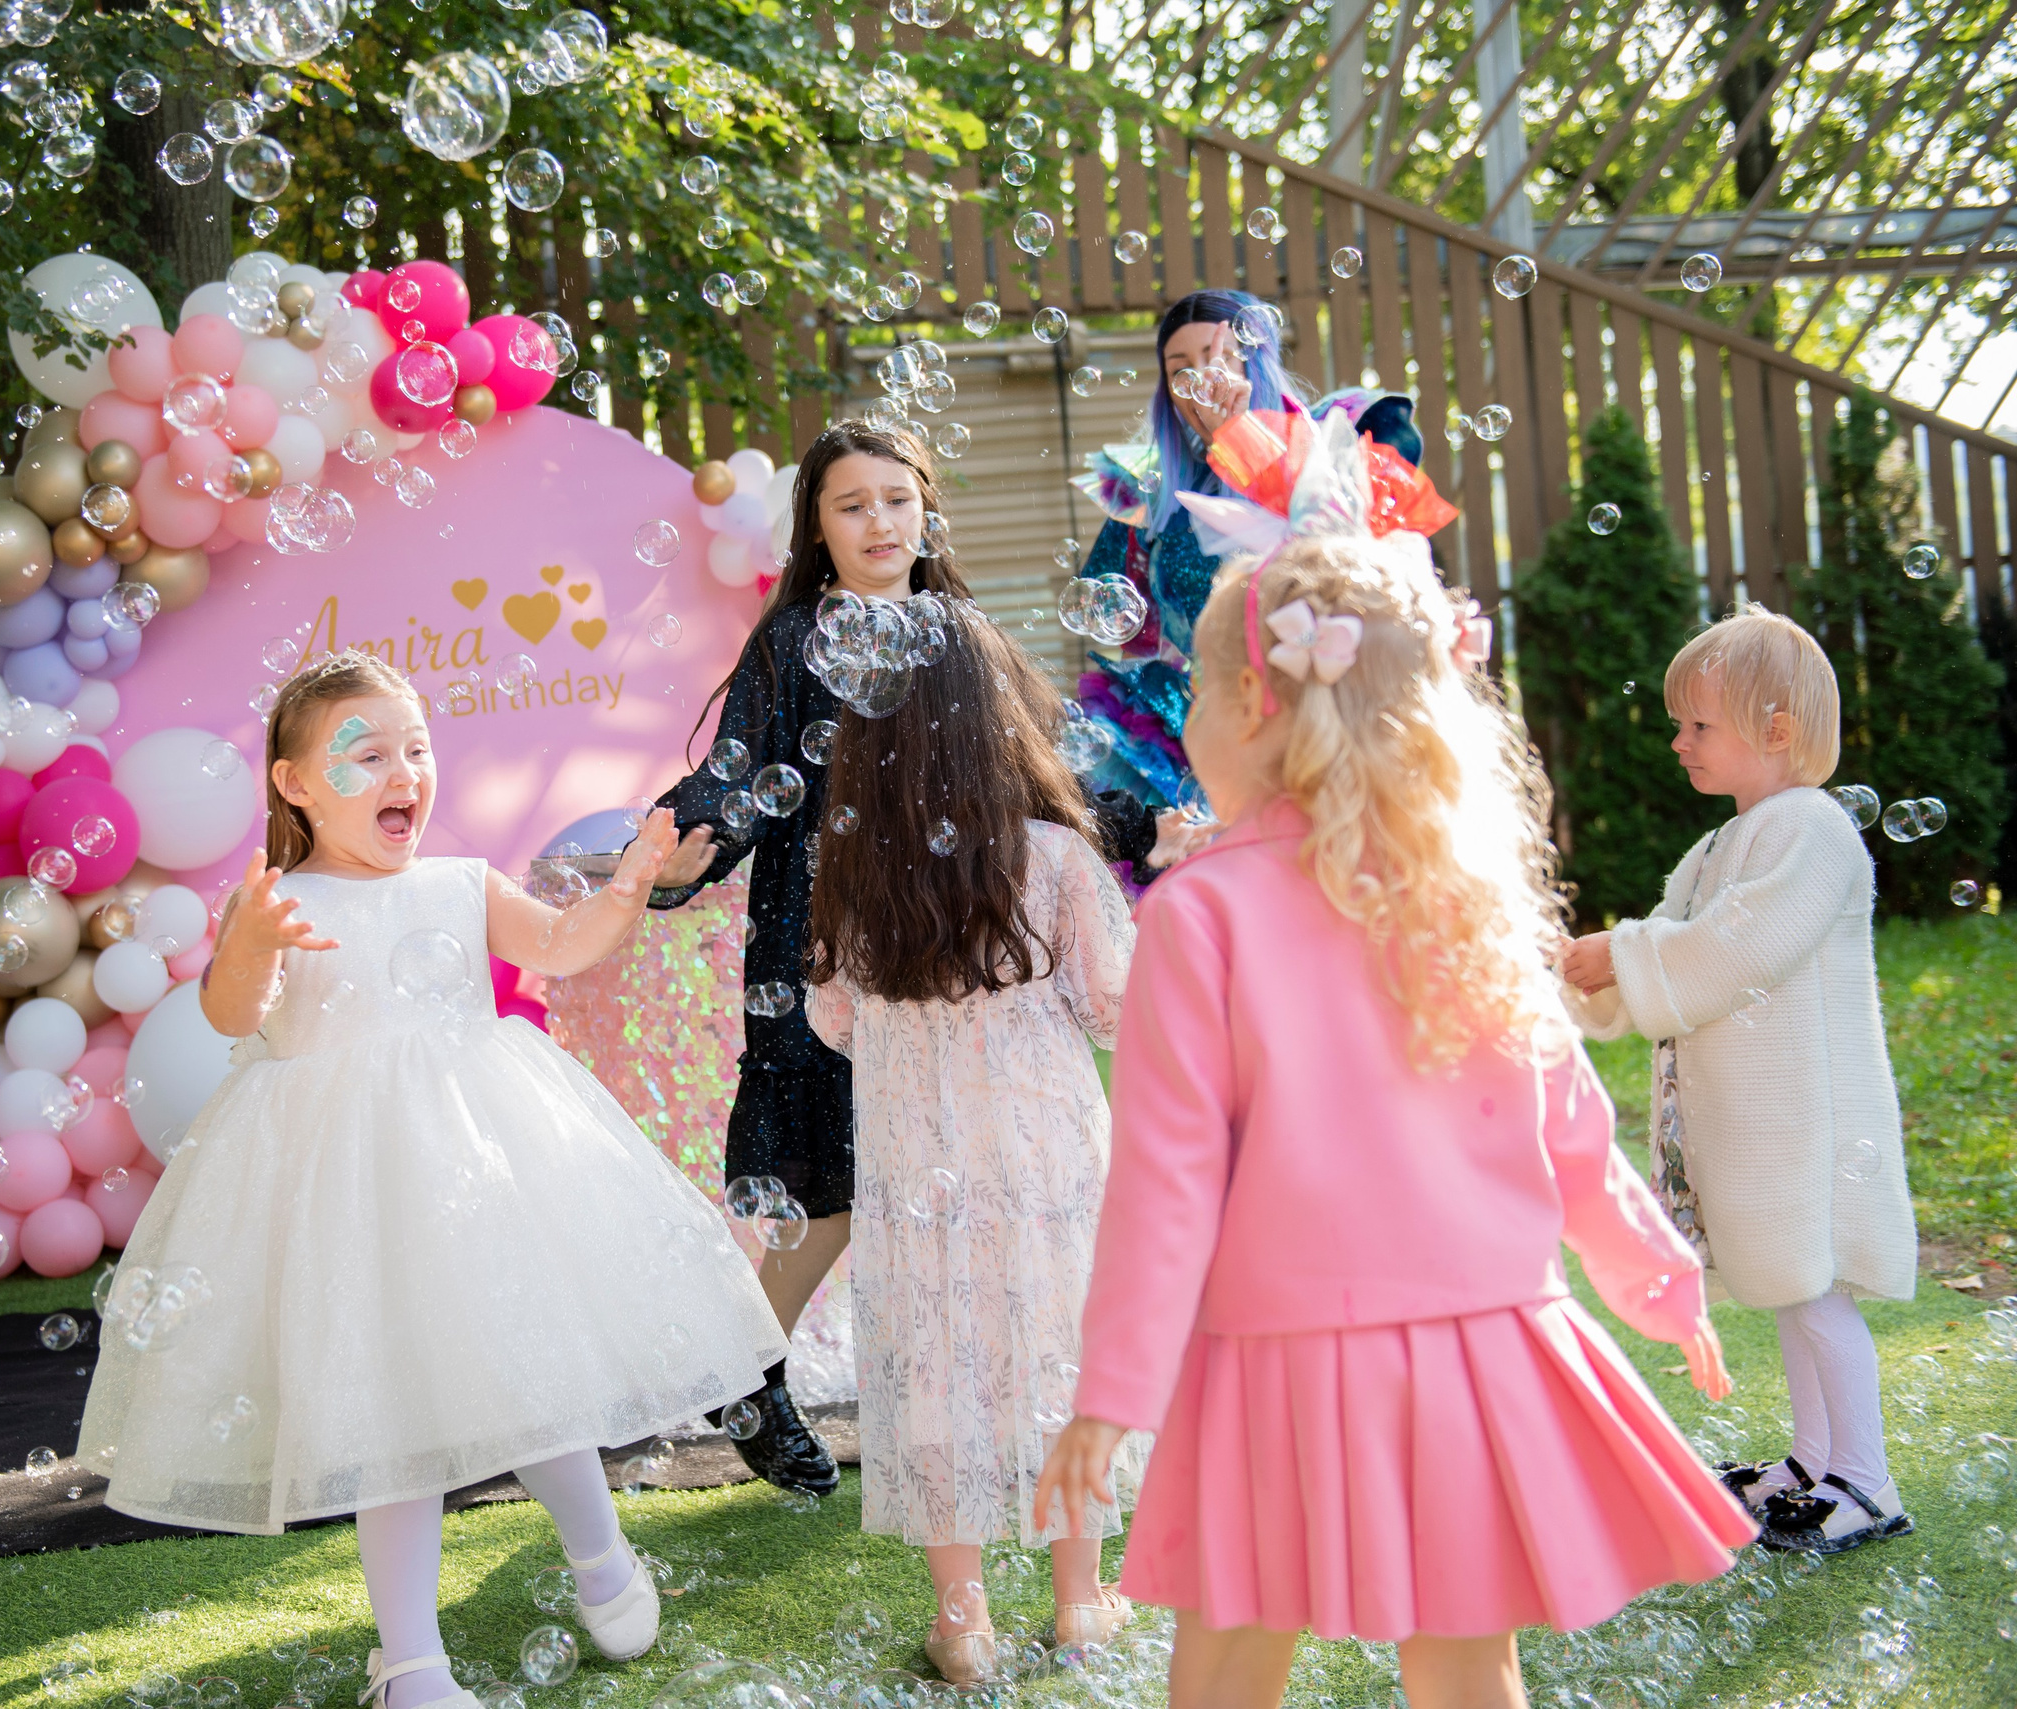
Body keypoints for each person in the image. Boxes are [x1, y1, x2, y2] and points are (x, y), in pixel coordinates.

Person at [1035, 509, 1754, 1708]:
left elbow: (1166, 1182)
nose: (1182, 720)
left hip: (1269, 1355)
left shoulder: (1198, 913)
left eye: (1192, 691)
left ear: (1255, 710)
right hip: (1475, 1348)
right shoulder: (1465, 899)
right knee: (1470, 1663)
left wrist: (1111, 1390)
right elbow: (1574, 1135)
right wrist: (1659, 1284)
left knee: (1224, 1656)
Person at [76, 650, 785, 1709]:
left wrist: (631, 879)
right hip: (345, 1194)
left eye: (414, 748)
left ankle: (600, 1556)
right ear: (295, 784)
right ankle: (410, 1659)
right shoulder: (276, 901)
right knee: (383, 1415)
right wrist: (251, 942)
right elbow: (232, 1015)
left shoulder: (457, 883)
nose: (403, 770)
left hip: (477, 1164)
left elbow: (565, 939)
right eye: (365, 754)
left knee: (533, 1371)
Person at [644, 420, 1169, 1494]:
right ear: (817, 530)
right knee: (828, 1178)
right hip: (828, 940)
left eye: (896, 497)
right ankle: (748, 1365)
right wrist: (675, 846)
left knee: (930, 1178)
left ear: (927, 508)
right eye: (851, 503)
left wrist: (1145, 824)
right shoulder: (797, 641)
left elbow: (1032, 788)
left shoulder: (963, 632)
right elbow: (738, 773)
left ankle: (961, 1398)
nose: (878, 520)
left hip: (947, 952)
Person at [803, 604, 1140, 1683]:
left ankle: (965, 1623)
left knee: (941, 1376)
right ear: (997, 720)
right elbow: (1113, 1008)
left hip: (918, 1171)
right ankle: (1080, 1602)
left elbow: (834, 1019)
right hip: (1045, 1163)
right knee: (1055, 1361)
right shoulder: (1053, 856)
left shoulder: (855, 873)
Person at [1560, 608, 1919, 1555]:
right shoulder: (1724, 843)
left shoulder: (1812, 829)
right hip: (1756, 1123)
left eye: (1698, 725)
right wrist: (1587, 979)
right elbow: (1670, 949)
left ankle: (1868, 1482)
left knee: (1817, 1295)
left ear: (1775, 729)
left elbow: (1735, 949)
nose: (1678, 741)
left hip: (1807, 1121)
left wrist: (1623, 954)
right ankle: (1812, 1462)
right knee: (1788, 1289)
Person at [1072, 289, 1430, 846]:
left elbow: (1351, 565)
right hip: (1185, 742)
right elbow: (1128, 627)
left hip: (1312, 729)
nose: (1201, 380)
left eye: (1218, 357)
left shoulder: (1332, 446)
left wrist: (1241, 438)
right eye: (1180, 368)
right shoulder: (1151, 494)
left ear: (1254, 359)